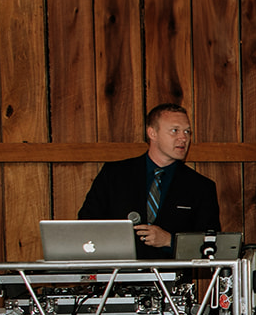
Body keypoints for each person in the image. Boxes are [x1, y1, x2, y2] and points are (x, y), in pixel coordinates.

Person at [78, 103, 220, 260]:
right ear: (152, 133)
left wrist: (169, 241)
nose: (183, 138)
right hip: (117, 277)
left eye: (187, 131)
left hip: (171, 281)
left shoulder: (201, 187)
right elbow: (86, 225)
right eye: (175, 131)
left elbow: (213, 246)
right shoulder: (114, 175)